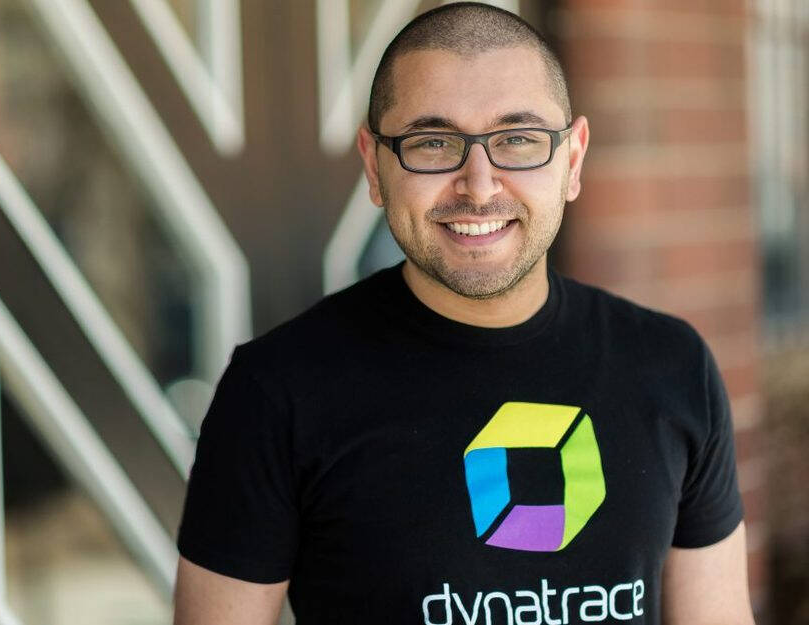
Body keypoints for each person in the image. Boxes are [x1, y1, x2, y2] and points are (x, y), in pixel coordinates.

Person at [173, 3, 755, 624]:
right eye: (433, 143)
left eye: (518, 140)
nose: (479, 185)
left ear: (573, 159)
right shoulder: (275, 391)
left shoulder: (672, 366)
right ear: (375, 166)